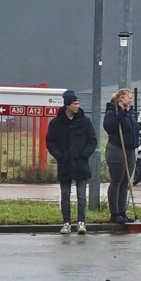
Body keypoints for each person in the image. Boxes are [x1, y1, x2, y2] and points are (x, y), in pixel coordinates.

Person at [46, 90, 98, 234]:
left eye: (78, 103)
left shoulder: (85, 121)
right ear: (68, 105)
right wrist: (60, 156)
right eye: (75, 103)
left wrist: (84, 155)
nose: (78, 106)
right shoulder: (56, 123)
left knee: (81, 195)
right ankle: (66, 223)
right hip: (65, 164)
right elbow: (50, 142)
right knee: (65, 196)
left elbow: (92, 141)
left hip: (81, 164)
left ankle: (81, 222)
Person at [103, 88, 138, 224]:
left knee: (125, 182)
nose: (131, 99)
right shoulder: (113, 111)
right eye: (129, 97)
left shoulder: (129, 113)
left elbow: (131, 128)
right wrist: (120, 115)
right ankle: (114, 213)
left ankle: (122, 212)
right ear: (121, 98)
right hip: (117, 149)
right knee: (116, 180)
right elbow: (109, 126)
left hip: (130, 149)